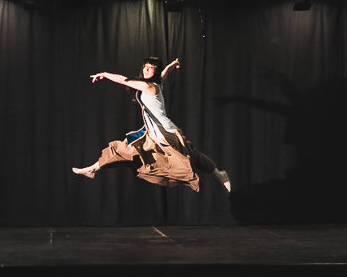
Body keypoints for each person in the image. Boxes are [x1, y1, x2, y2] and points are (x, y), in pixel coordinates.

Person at [73, 57, 231, 193]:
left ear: (155, 71)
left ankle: (218, 174)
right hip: (151, 130)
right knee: (126, 144)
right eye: (145, 67)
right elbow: (165, 74)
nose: (147, 70)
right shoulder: (157, 82)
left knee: (190, 154)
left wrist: (104, 74)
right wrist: (172, 65)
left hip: (164, 132)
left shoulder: (150, 87)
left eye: (151, 68)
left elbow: (123, 79)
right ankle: (94, 168)